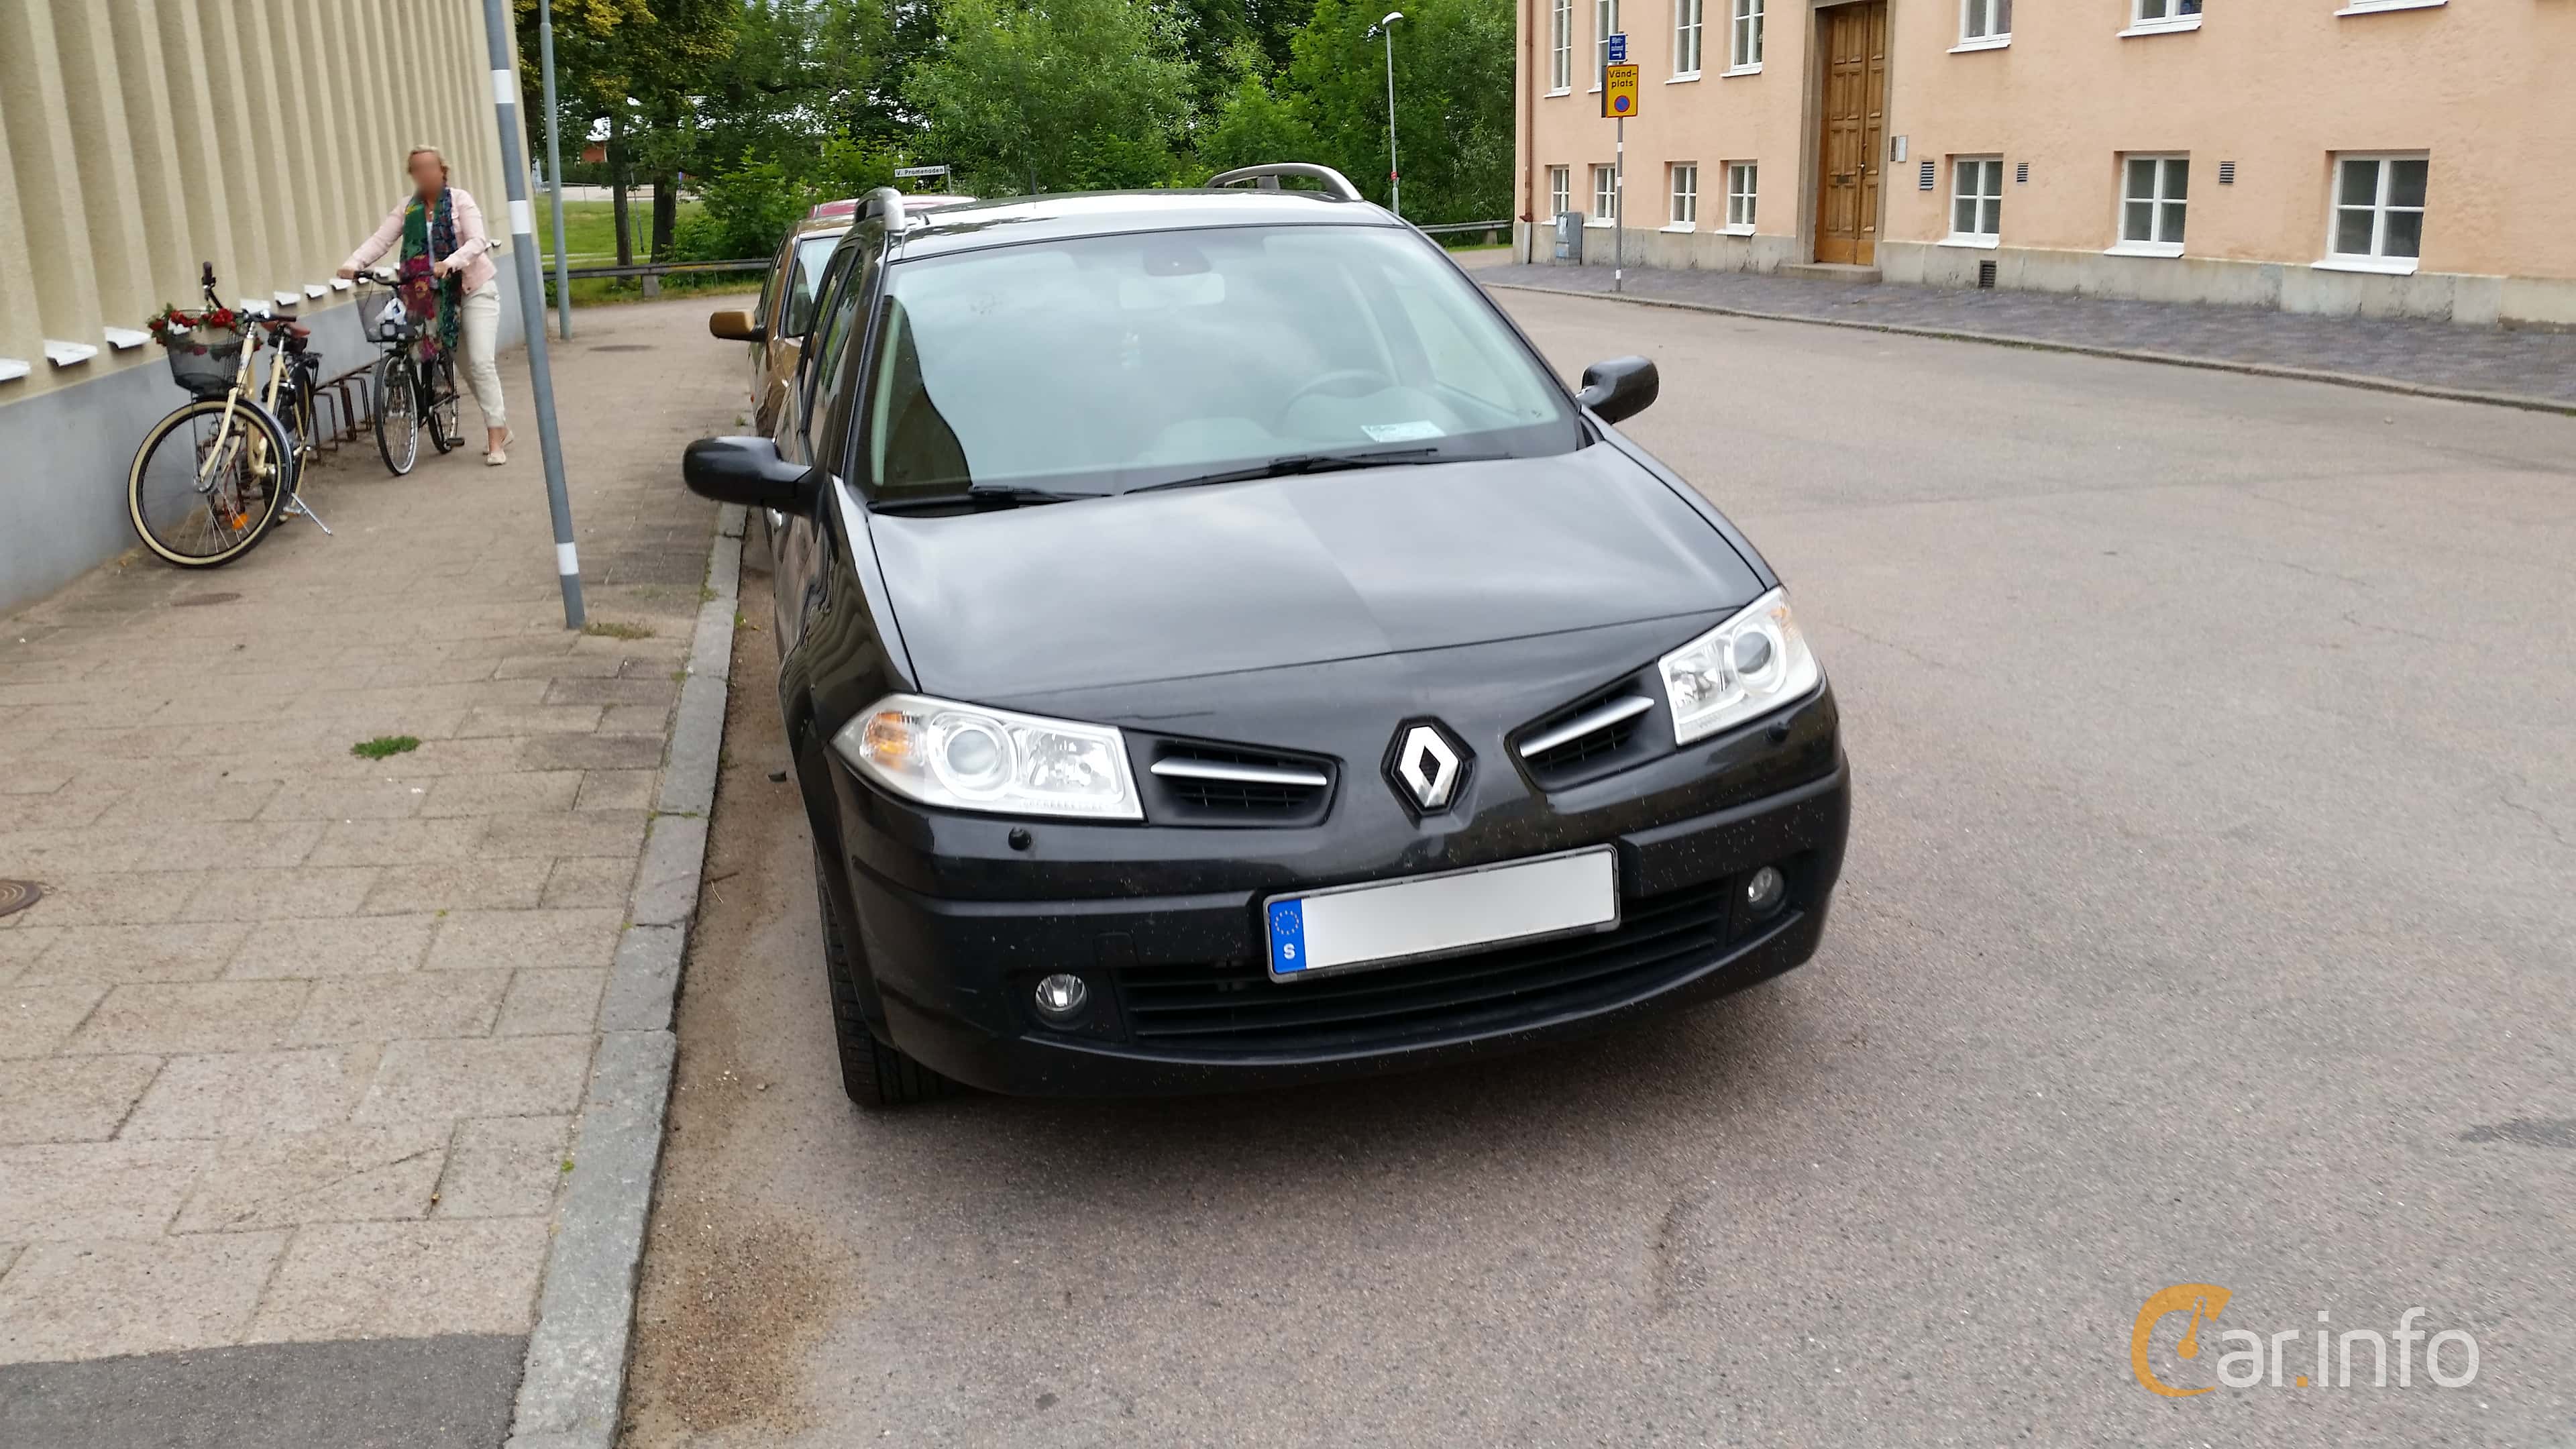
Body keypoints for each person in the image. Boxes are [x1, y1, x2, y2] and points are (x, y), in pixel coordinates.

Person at [338, 146, 512, 465]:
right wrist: (353, 263)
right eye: (417, 168)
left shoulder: (460, 201)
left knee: (481, 362)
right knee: (467, 367)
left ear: (442, 170)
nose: (425, 173)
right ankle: (501, 425)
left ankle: (494, 439)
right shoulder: (409, 209)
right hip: (436, 298)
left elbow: (478, 241)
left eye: (430, 167)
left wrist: (450, 262)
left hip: (474, 289)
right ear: (412, 174)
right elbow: (381, 240)